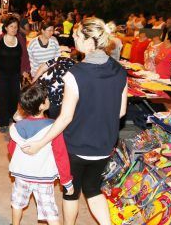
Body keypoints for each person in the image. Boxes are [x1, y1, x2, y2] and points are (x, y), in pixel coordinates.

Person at [21, 17, 128, 225]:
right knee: (92, 189)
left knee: (71, 192)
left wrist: (39, 143)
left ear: (89, 41)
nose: (73, 38)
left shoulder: (75, 74)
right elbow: (121, 112)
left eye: (77, 36)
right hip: (105, 144)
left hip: (77, 146)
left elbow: (65, 118)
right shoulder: (119, 71)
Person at [8, 84, 73, 225]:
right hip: (43, 175)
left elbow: (11, 149)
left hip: (22, 174)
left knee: (17, 202)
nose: (48, 99)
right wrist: (66, 181)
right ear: (42, 106)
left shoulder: (17, 127)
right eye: (46, 98)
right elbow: (60, 155)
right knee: (49, 208)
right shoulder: (53, 127)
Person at [0, 16, 30, 133]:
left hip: (15, 75)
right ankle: (3, 123)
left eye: (16, 27)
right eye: (11, 26)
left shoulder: (20, 39)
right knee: (2, 98)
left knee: (14, 97)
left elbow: (25, 56)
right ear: (5, 27)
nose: (14, 29)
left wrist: (25, 70)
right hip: (1, 74)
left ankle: (12, 117)